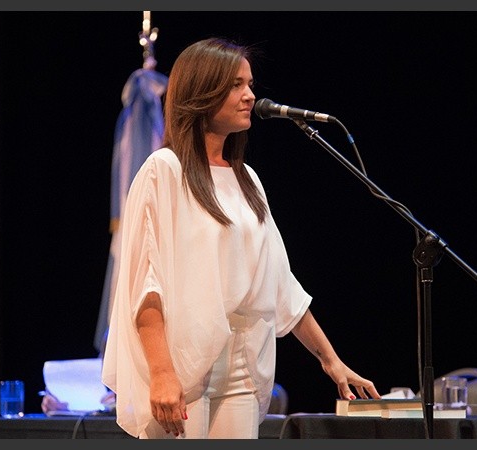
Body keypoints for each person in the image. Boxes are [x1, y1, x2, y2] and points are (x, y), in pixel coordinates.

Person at [101, 37, 381, 440]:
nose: (249, 95)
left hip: (243, 364)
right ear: (201, 92)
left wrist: (331, 361)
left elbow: (280, 283)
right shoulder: (163, 170)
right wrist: (161, 372)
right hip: (184, 360)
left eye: (249, 84)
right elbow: (147, 284)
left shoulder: (247, 179)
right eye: (235, 85)